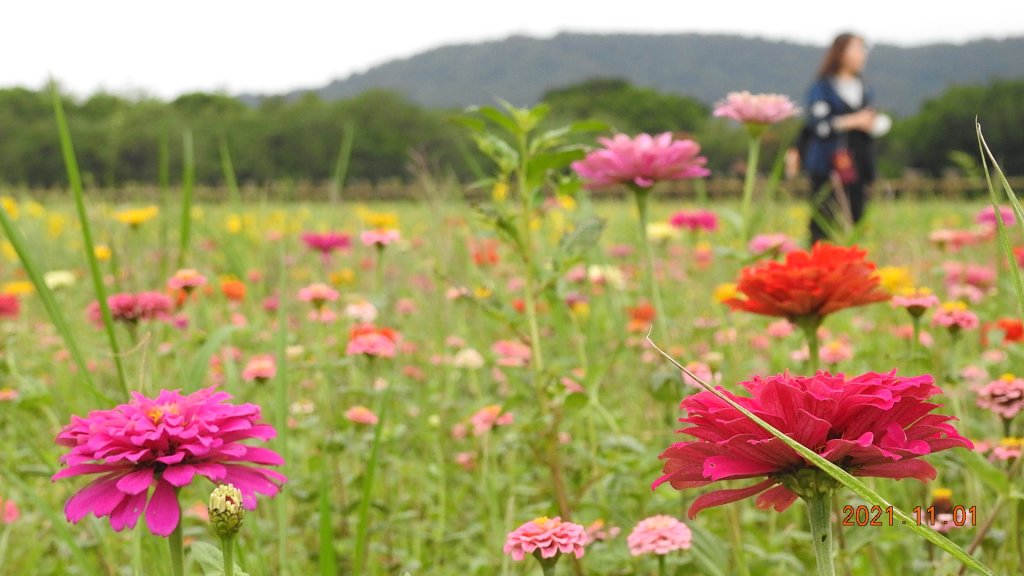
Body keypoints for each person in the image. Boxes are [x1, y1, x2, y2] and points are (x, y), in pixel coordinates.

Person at [792, 32, 889, 244]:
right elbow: (817, 125)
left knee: (857, 216)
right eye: (857, 49)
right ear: (841, 53)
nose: (862, 54)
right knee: (823, 217)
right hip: (827, 164)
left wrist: (871, 123)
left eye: (863, 50)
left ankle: (852, 259)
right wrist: (853, 121)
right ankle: (818, 258)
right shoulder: (822, 87)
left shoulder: (864, 88)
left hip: (858, 163)